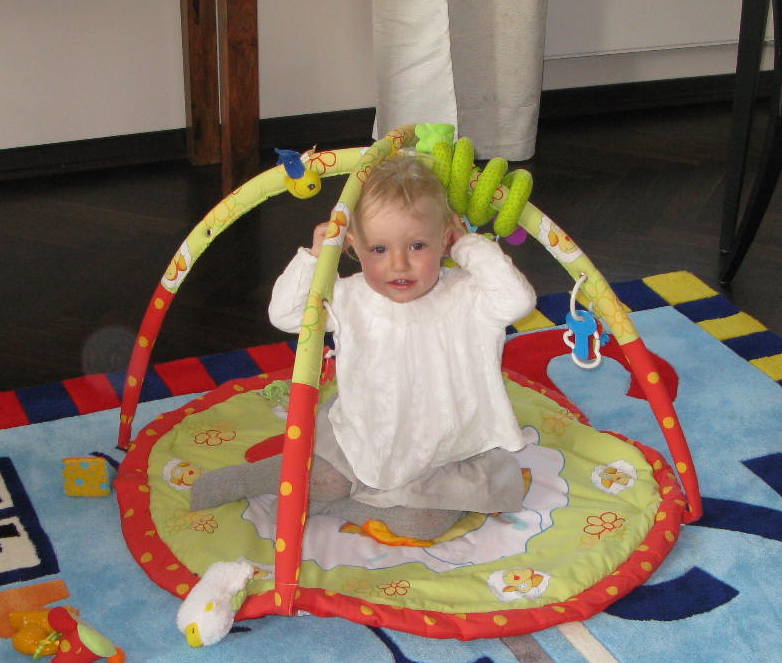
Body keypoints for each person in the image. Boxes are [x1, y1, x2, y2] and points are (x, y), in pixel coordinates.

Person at [188, 153, 537, 540]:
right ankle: (252, 478)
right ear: (353, 245)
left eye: (417, 245)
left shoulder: (470, 297)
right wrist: (316, 258)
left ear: (444, 241)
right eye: (379, 250)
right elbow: (286, 315)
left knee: (422, 523)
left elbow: (518, 300)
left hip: (446, 449)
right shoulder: (350, 297)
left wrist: (468, 245)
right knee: (324, 477)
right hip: (365, 436)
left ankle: (326, 505)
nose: (399, 264)